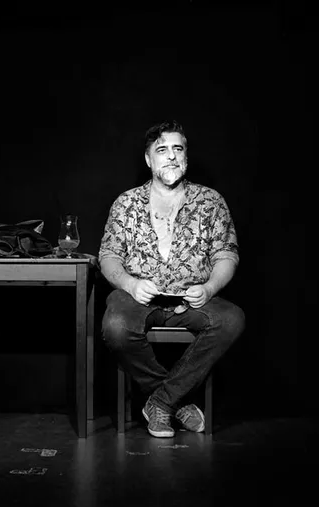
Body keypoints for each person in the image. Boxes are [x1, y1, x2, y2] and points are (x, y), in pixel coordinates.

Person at [99, 120, 245, 438]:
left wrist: (208, 288)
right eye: (162, 150)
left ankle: (161, 402)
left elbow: (226, 255)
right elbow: (108, 256)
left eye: (177, 149)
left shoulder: (211, 202)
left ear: (186, 157)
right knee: (116, 327)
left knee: (231, 319)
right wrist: (130, 284)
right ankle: (174, 403)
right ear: (149, 159)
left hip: (191, 300)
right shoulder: (126, 204)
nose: (171, 156)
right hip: (137, 298)